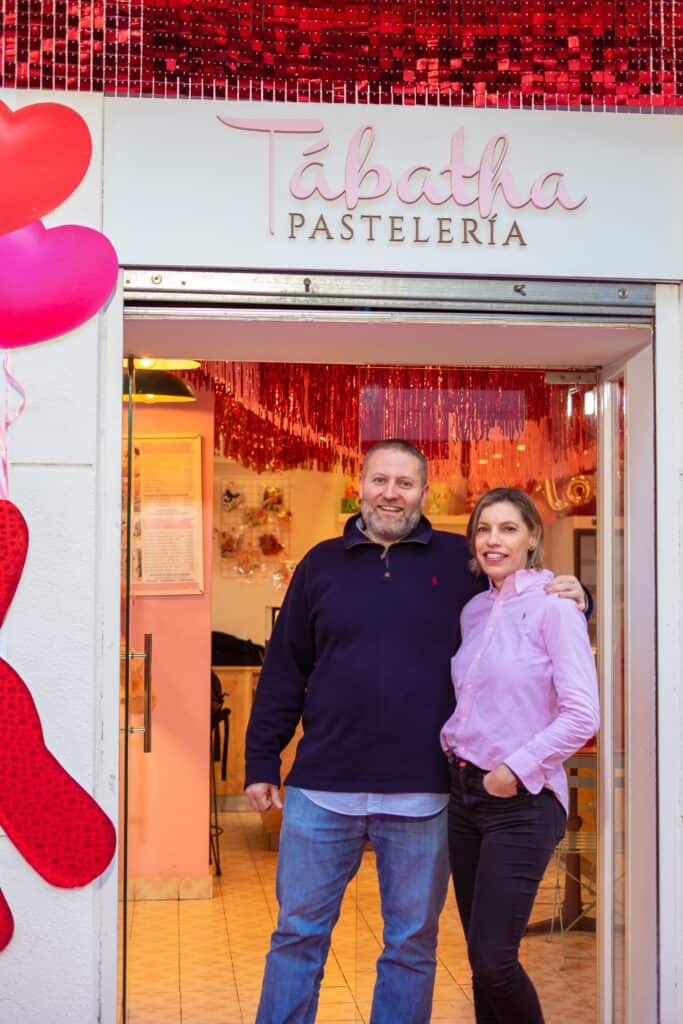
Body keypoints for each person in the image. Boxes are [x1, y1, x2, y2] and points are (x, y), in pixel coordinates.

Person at [245, 441, 588, 1024]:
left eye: (405, 483)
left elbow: (530, 605)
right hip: (322, 789)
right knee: (297, 937)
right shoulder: (320, 564)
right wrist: (261, 760)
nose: (391, 493)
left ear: (423, 493)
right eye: (380, 480)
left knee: (410, 947)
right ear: (361, 484)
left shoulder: (463, 563)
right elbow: (285, 667)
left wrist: (582, 596)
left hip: (426, 793)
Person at [441, 487, 600, 1024]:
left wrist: (513, 769)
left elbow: (583, 714)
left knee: (495, 960)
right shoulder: (473, 610)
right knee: (481, 961)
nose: (493, 540)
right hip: (464, 796)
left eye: (508, 529)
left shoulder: (556, 606)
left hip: (521, 799)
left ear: (533, 537)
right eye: (484, 529)